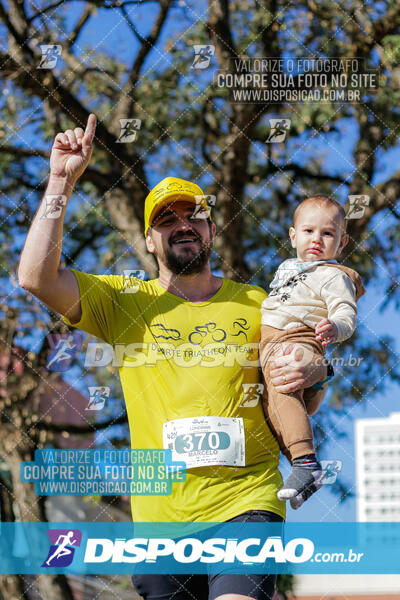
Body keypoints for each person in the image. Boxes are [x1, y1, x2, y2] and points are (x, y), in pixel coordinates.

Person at [18, 114, 331, 600]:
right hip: (161, 521)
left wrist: (316, 366)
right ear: (148, 239)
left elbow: (305, 374)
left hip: (245, 499)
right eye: (166, 219)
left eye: (193, 215)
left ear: (210, 227)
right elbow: (35, 277)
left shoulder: (260, 302)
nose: (182, 224)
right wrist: (61, 180)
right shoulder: (121, 300)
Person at [260, 196, 365, 509]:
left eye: (328, 234)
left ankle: (305, 462)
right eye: (308, 231)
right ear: (293, 236)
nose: (316, 239)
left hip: (297, 339)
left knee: (283, 383)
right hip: (272, 342)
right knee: (273, 405)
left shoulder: (333, 276)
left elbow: (346, 312)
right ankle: (300, 466)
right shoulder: (287, 268)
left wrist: (335, 326)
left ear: (342, 242)